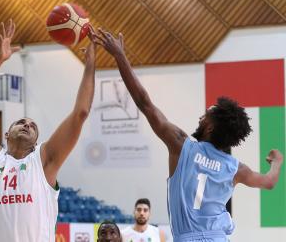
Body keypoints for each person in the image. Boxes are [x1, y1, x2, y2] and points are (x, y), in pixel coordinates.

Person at [94, 29, 284, 242]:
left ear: (211, 128)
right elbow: (269, 182)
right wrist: (277, 162)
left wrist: (120, 55)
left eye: (207, 116)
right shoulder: (236, 168)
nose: (202, 117)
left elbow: (144, 102)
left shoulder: (182, 146)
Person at [0, 20, 96, 241]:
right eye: (20, 122)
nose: (27, 125)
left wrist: (91, 65)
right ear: (6, 134)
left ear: (36, 141)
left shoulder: (44, 160)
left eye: (32, 126)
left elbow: (80, 113)